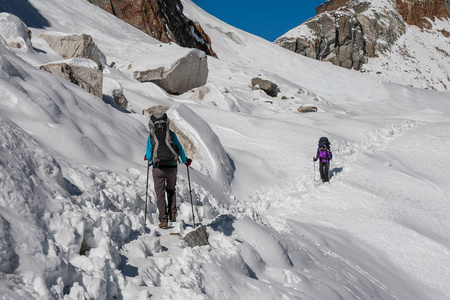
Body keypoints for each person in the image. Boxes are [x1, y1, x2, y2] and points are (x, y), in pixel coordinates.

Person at [144, 114, 192, 229]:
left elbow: (150, 156)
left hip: (158, 168)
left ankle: (163, 220)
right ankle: (172, 213)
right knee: (171, 190)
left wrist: (148, 158)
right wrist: (185, 161)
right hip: (172, 167)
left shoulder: (151, 137)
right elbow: (179, 149)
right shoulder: (171, 134)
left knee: (160, 194)